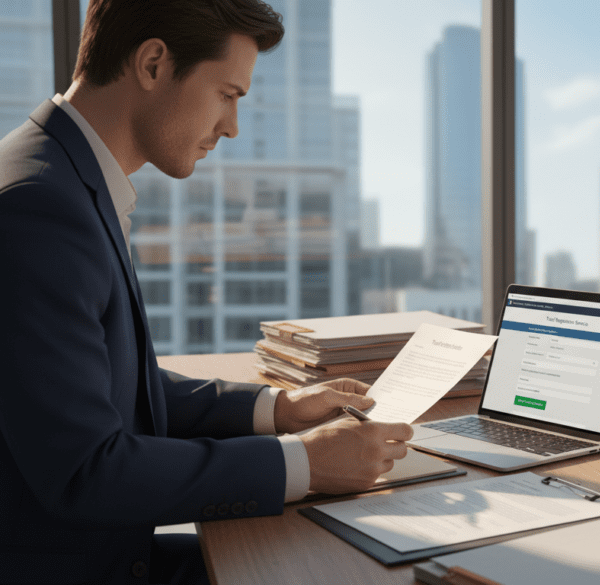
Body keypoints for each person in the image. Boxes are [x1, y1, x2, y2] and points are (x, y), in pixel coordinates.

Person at [0, 1, 413, 583]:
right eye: (228, 94)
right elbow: (86, 471)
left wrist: (278, 409)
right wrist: (306, 461)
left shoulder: (62, 175)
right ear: (153, 64)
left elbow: (109, 385)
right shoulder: (38, 205)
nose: (232, 127)